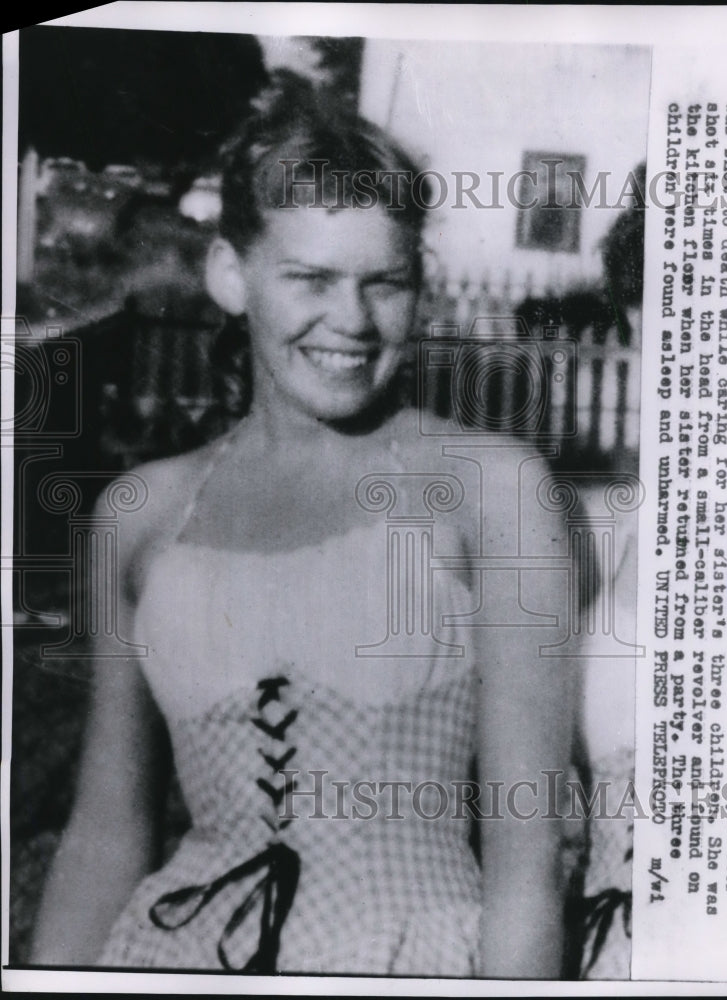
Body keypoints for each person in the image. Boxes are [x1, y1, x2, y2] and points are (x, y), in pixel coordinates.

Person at [30, 82, 581, 978]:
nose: (353, 321)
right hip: (174, 957)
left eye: (385, 283)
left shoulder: (491, 489)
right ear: (229, 274)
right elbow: (104, 834)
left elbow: (529, 861)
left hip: (414, 959)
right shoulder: (139, 515)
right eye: (311, 278)